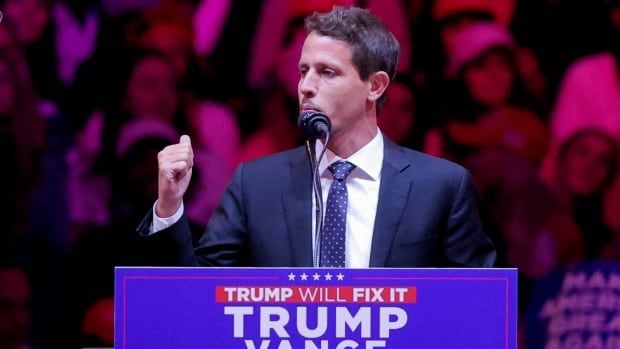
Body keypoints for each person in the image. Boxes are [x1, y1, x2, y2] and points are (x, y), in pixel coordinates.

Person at [138, 6, 496, 268]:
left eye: (327, 72)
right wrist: (169, 207)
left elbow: (477, 310)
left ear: (374, 85)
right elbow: (195, 298)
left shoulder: (441, 187)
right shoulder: (256, 184)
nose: (306, 87)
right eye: (303, 71)